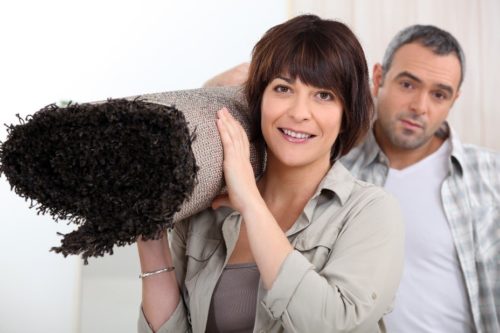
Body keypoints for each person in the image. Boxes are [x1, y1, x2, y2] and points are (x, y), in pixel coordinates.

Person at [206, 24, 500, 333]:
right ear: (378, 79)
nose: (420, 107)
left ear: (454, 100)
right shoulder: (325, 157)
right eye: (407, 85)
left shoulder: (489, 176)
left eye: (439, 94)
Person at [137, 15, 404, 333]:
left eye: (323, 95)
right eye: (283, 88)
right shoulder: (207, 210)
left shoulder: (370, 212)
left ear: (347, 114)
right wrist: (147, 232)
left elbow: (331, 323)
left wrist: (250, 202)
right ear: (259, 100)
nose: (299, 113)